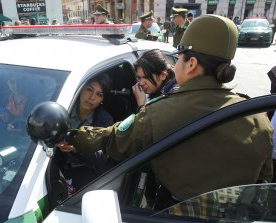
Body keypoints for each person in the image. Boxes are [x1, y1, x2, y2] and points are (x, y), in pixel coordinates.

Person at [57, 15, 273, 202]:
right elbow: (263, 183)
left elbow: (113, 138)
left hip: (174, 221)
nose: (174, 65)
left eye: (178, 58)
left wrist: (72, 137)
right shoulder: (257, 117)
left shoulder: (160, 112)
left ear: (191, 64)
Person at [55, 73, 115, 193]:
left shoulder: (104, 120)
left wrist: (78, 149)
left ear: (102, 100)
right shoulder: (65, 108)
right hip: (54, 165)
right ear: (81, 89)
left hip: (84, 173)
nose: (92, 97)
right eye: (89, 90)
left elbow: (102, 158)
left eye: (99, 94)